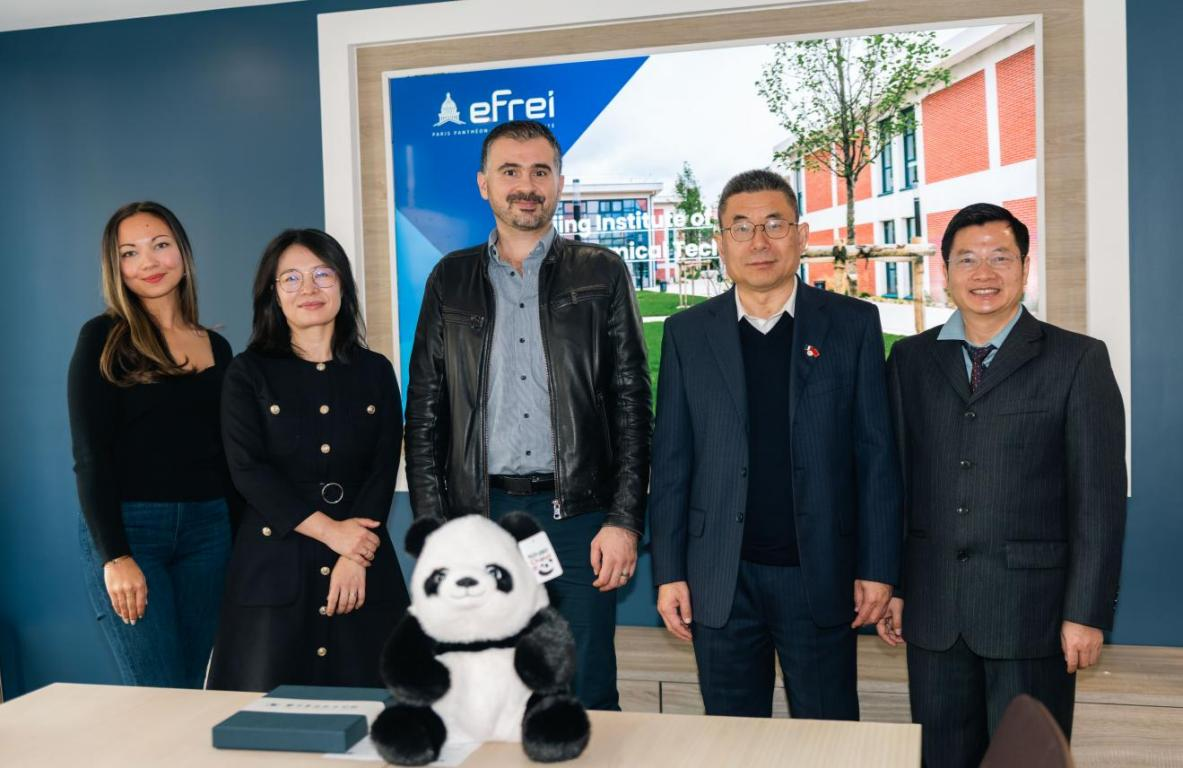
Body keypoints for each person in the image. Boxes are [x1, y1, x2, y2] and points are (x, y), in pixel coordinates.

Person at [404, 120, 651, 711]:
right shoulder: (449, 279)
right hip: (480, 516)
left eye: (540, 171)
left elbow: (632, 404)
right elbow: (424, 415)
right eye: (510, 171)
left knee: (586, 690)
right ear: (483, 183)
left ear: (559, 182)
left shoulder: (602, 271)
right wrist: (438, 532)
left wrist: (624, 520)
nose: (526, 185)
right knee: (484, 689)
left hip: (580, 519)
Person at [879, 203, 1127, 767]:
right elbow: (896, 485)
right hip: (934, 614)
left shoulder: (1078, 359)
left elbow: (1099, 501)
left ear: (1024, 267)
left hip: (1032, 617)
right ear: (945, 271)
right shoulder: (909, 360)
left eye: (1000, 258)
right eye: (967, 259)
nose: (983, 273)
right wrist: (895, 586)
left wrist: (1086, 612)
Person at [649, 169, 902, 719]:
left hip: (820, 576)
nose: (758, 241)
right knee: (733, 740)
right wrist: (669, 573)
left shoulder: (853, 325)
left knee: (828, 736)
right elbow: (671, 463)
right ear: (721, 243)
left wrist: (879, 567)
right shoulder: (688, 333)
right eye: (741, 228)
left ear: (801, 235)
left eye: (774, 225)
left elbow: (876, 455)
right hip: (720, 579)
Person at [206, 228, 408, 691]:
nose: (309, 289)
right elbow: (248, 471)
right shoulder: (247, 372)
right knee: (263, 716)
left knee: (377, 712)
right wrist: (334, 534)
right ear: (273, 294)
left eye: (322, 274)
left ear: (343, 285)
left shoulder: (376, 370)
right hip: (274, 564)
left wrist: (356, 555)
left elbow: (382, 469)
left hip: (362, 563)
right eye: (291, 278)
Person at [68, 201, 234, 688]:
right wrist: (115, 556)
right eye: (130, 253)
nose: (149, 262)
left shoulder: (217, 347)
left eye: (161, 245)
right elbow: (89, 455)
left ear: (182, 251)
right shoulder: (102, 338)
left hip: (210, 533)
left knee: (193, 690)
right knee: (157, 693)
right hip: (132, 532)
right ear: (115, 266)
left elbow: (230, 457)